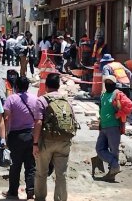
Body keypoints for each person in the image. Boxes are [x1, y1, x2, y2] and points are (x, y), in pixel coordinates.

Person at [33, 73, 78, 201]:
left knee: (41, 173)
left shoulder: (42, 100)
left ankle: (40, 198)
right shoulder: (66, 100)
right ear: (58, 86)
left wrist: (35, 143)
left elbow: (38, 122)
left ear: (46, 86)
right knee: (61, 174)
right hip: (64, 141)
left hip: (46, 142)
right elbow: (73, 120)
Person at [2, 76, 37, 200]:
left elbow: (6, 118)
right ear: (28, 86)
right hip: (31, 135)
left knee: (15, 165)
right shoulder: (35, 99)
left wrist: (4, 136)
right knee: (31, 165)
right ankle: (30, 191)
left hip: (15, 136)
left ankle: (13, 192)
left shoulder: (11, 99)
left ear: (15, 86)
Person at [96, 75, 132, 180]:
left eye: (110, 82)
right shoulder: (103, 95)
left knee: (114, 151)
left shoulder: (117, 94)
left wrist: (119, 114)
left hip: (113, 126)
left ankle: (112, 173)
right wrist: (100, 121)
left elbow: (130, 105)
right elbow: (101, 109)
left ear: (114, 84)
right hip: (103, 126)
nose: (108, 84)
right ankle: (115, 165)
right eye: (106, 82)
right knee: (99, 149)